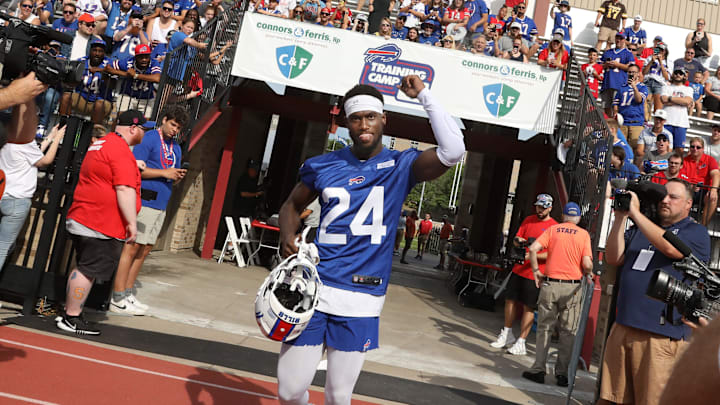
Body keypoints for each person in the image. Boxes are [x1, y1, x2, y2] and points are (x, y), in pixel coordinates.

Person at [276, 75, 464, 404]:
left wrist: (424, 95)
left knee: (338, 394)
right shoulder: (323, 164)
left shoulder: (402, 164)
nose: (365, 124)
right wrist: (287, 236)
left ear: (383, 120)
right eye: (357, 117)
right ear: (347, 122)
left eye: (371, 116)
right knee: (289, 390)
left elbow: (454, 150)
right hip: (315, 287)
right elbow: (292, 205)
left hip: (361, 296)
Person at [599, 179, 710, 405]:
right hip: (624, 326)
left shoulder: (696, 232)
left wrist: (636, 214)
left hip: (660, 334)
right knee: (611, 399)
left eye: (673, 197)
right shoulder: (643, 228)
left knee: (652, 400)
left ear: (688, 204)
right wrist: (621, 218)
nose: (665, 201)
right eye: (663, 196)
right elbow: (613, 257)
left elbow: (671, 248)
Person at [56, 110, 152, 335]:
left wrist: (133, 164)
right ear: (133, 128)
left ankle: (71, 312)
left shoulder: (103, 143)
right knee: (88, 269)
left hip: (86, 215)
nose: (144, 133)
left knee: (84, 267)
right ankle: (71, 316)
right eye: (143, 129)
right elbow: (124, 189)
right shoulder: (119, 151)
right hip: (99, 221)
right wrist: (131, 223)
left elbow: (105, 172)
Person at [110, 107, 188, 315]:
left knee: (144, 251)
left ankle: (127, 292)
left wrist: (176, 175)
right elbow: (136, 169)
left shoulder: (176, 148)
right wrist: (164, 172)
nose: (174, 130)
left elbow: (170, 171)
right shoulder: (150, 138)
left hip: (161, 203)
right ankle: (117, 295)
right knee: (132, 247)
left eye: (178, 128)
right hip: (144, 200)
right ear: (164, 120)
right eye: (172, 125)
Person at [521, 202, 592, 387]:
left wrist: (536, 270)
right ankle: (562, 374)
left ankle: (538, 370)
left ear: (563, 216)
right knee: (568, 332)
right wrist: (589, 270)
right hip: (572, 288)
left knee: (545, 328)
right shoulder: (583, 235)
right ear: (578, 218)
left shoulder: (553, 230)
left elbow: (533, 248)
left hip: (550, 284)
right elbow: (586, 264)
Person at [0, 103, 65, 270]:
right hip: (17, 200)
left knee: (6, 246)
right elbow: (45, 160)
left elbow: (33, 154)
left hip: (3, 195)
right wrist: (57, 140)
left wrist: (50, 137)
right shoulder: (24, 144)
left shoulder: (5, 141)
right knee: (3, 248)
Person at [490, 194, 557, 355]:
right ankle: (507, 333)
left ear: (550, 208)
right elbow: (516, 238)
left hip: (535, 273)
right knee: (510, 300)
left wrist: (531, 255)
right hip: (518, 268)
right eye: (538, 206)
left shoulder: (553, 227)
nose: (539, 210)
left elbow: (551, 253)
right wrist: (518, 241)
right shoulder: (528, 220)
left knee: (529, 306)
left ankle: (522, 341)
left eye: (543, 207)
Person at [59, 38, 113, 125]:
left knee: (99, 105)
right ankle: (63, 127)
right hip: (82, 98)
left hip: (101, 101)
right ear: (90, 50)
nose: (97, 54)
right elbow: (71, 83)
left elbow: (112, 85)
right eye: (94, 50)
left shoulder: (110, 64)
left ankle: (93, 133)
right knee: (66, 96)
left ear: (104, 53)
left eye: (100, 51)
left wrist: (102, 72)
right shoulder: (81, 61)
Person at [105, 43, 161, 115]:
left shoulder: (153, 63)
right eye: (141, 57)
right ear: (136, 57)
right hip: (127, 95)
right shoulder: (129, 62)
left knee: (146, 122)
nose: (144, 59)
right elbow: (108, 68)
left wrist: (136, 75)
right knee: (122, 117)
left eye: (146, 57)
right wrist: (126, 74)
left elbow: (157, 78)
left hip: (146, 98)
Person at [681, 137, 720, 226]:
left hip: (705, 191)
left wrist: (713, 190)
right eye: (692, 146)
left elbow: (716, 174)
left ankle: (703, 227)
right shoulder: (684, 160)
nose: (695, 149)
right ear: (689, 148)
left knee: (713, 197)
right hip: (689, 190)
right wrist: (690, 186)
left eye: (698, 147)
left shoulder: (710, 160)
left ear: (703, 149)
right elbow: (681, 178)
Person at [600, 32, 634, 117]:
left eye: (621, 38)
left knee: (616, 109)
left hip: (619, 84)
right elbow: (598, 66)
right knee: (606, 108)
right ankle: (607, 127)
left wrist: (617, 65)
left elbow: (631, 68)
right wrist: (606, 65)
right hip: (607, 84)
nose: (618, 40)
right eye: (617, 38)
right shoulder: (608, 52)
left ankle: (615, 128)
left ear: (625, 40)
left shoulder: (628, 53)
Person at [661, 68, 694, 154]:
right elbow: (664, 100)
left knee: (680, 149)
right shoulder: (666, 87)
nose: (678, 75)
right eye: (676, 73)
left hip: (681, 122)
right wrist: (680, 101)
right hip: (667, 121)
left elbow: (687, 101)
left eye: (680, 73)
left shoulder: (688, 89)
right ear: (673, 75)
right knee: (664, 148)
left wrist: (670, 98)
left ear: (684, 76)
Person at [614, 64, 648, 150]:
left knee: (636, 148)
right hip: (623, 122)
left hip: (636, 122)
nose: (631, 74)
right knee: (620, 148)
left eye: (634, 72)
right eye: (629, 72)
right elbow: (615, 104)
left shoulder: (643, 87)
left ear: (638, 74)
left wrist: (634, 87)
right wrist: (616, 115)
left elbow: (639, 100)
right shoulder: (622, 88)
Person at [642, 43, 669, 114]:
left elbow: (667, 77)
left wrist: (661, 63)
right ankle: (646, 121)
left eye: (661, 50)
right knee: (645, 105)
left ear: (665, 51)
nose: (659, 51)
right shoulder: (649, 58)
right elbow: (644, 72)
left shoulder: (668, 62)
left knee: (658, 109)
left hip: (659, 84)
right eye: (657, 49)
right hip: (648, 81)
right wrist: (651, 62)